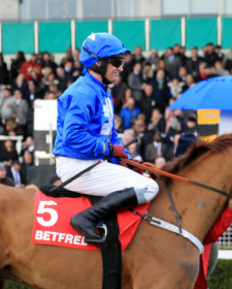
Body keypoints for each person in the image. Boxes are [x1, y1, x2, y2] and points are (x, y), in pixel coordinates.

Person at [53, 32, 158, 244]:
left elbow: (111, 136)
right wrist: (109, 150)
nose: (121, 67)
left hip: (93, 162)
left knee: (147, 178)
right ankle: (86, 218)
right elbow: (73, 137)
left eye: (122, 62)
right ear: (98, 64)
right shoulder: (84, 93)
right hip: (76, 165)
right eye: (117, 62)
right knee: (149, 188)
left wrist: (126, 160)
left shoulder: (103, 92)